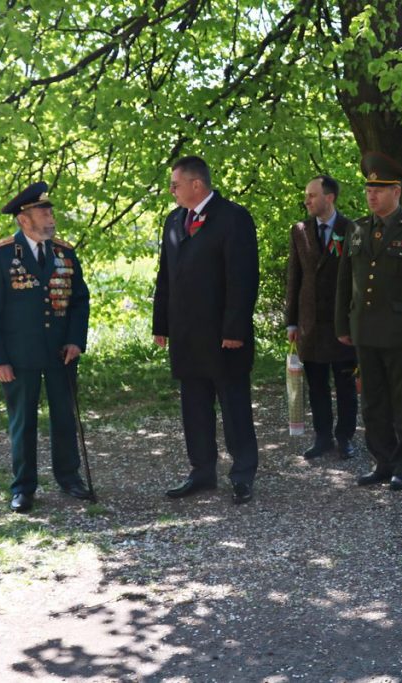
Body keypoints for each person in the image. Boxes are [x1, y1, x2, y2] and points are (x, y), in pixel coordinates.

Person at [0, 181, 92, 513]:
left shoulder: (64, 252)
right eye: (43, 211)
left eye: (50, 210)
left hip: (61, 353)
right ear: (23, 218)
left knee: (64, 418)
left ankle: (69, 478)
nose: (50, 216)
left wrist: (75, 339)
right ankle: (23, 487)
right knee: (23, 422)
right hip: (18, 356)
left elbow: (79, 302)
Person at [152, 156, 261, 505]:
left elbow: (242, 279)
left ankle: (242, 474)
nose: (171, 190)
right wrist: (161, 325)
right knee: (194, 408)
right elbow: (165, 276)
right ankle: (202, 472)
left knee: (234, 407)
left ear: (197, 185)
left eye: (175, 184)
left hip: (223, 337)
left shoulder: (233, 218)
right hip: (186, 336)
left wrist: (235, 328)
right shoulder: (173, 221)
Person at [335, 151, 402, 491]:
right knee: (373, 400)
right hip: (364, 330)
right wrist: (342, 326)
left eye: (379, 189)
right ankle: (382, 461)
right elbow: (344, 281)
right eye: (368, 189)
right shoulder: (356, 228)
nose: (371, 195)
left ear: (396, 192)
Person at [286, 175, 358, 460]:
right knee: (316, 385)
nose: (307, 201)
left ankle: (345, 437)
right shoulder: (300, 230)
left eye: (312, 195)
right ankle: (323, 437)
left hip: (342, 323)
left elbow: (358, 276)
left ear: (329, 198)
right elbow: (294, 277)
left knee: (345, 385)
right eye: (307, 195)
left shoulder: (351, 228)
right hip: (310, 323)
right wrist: (292, 321)